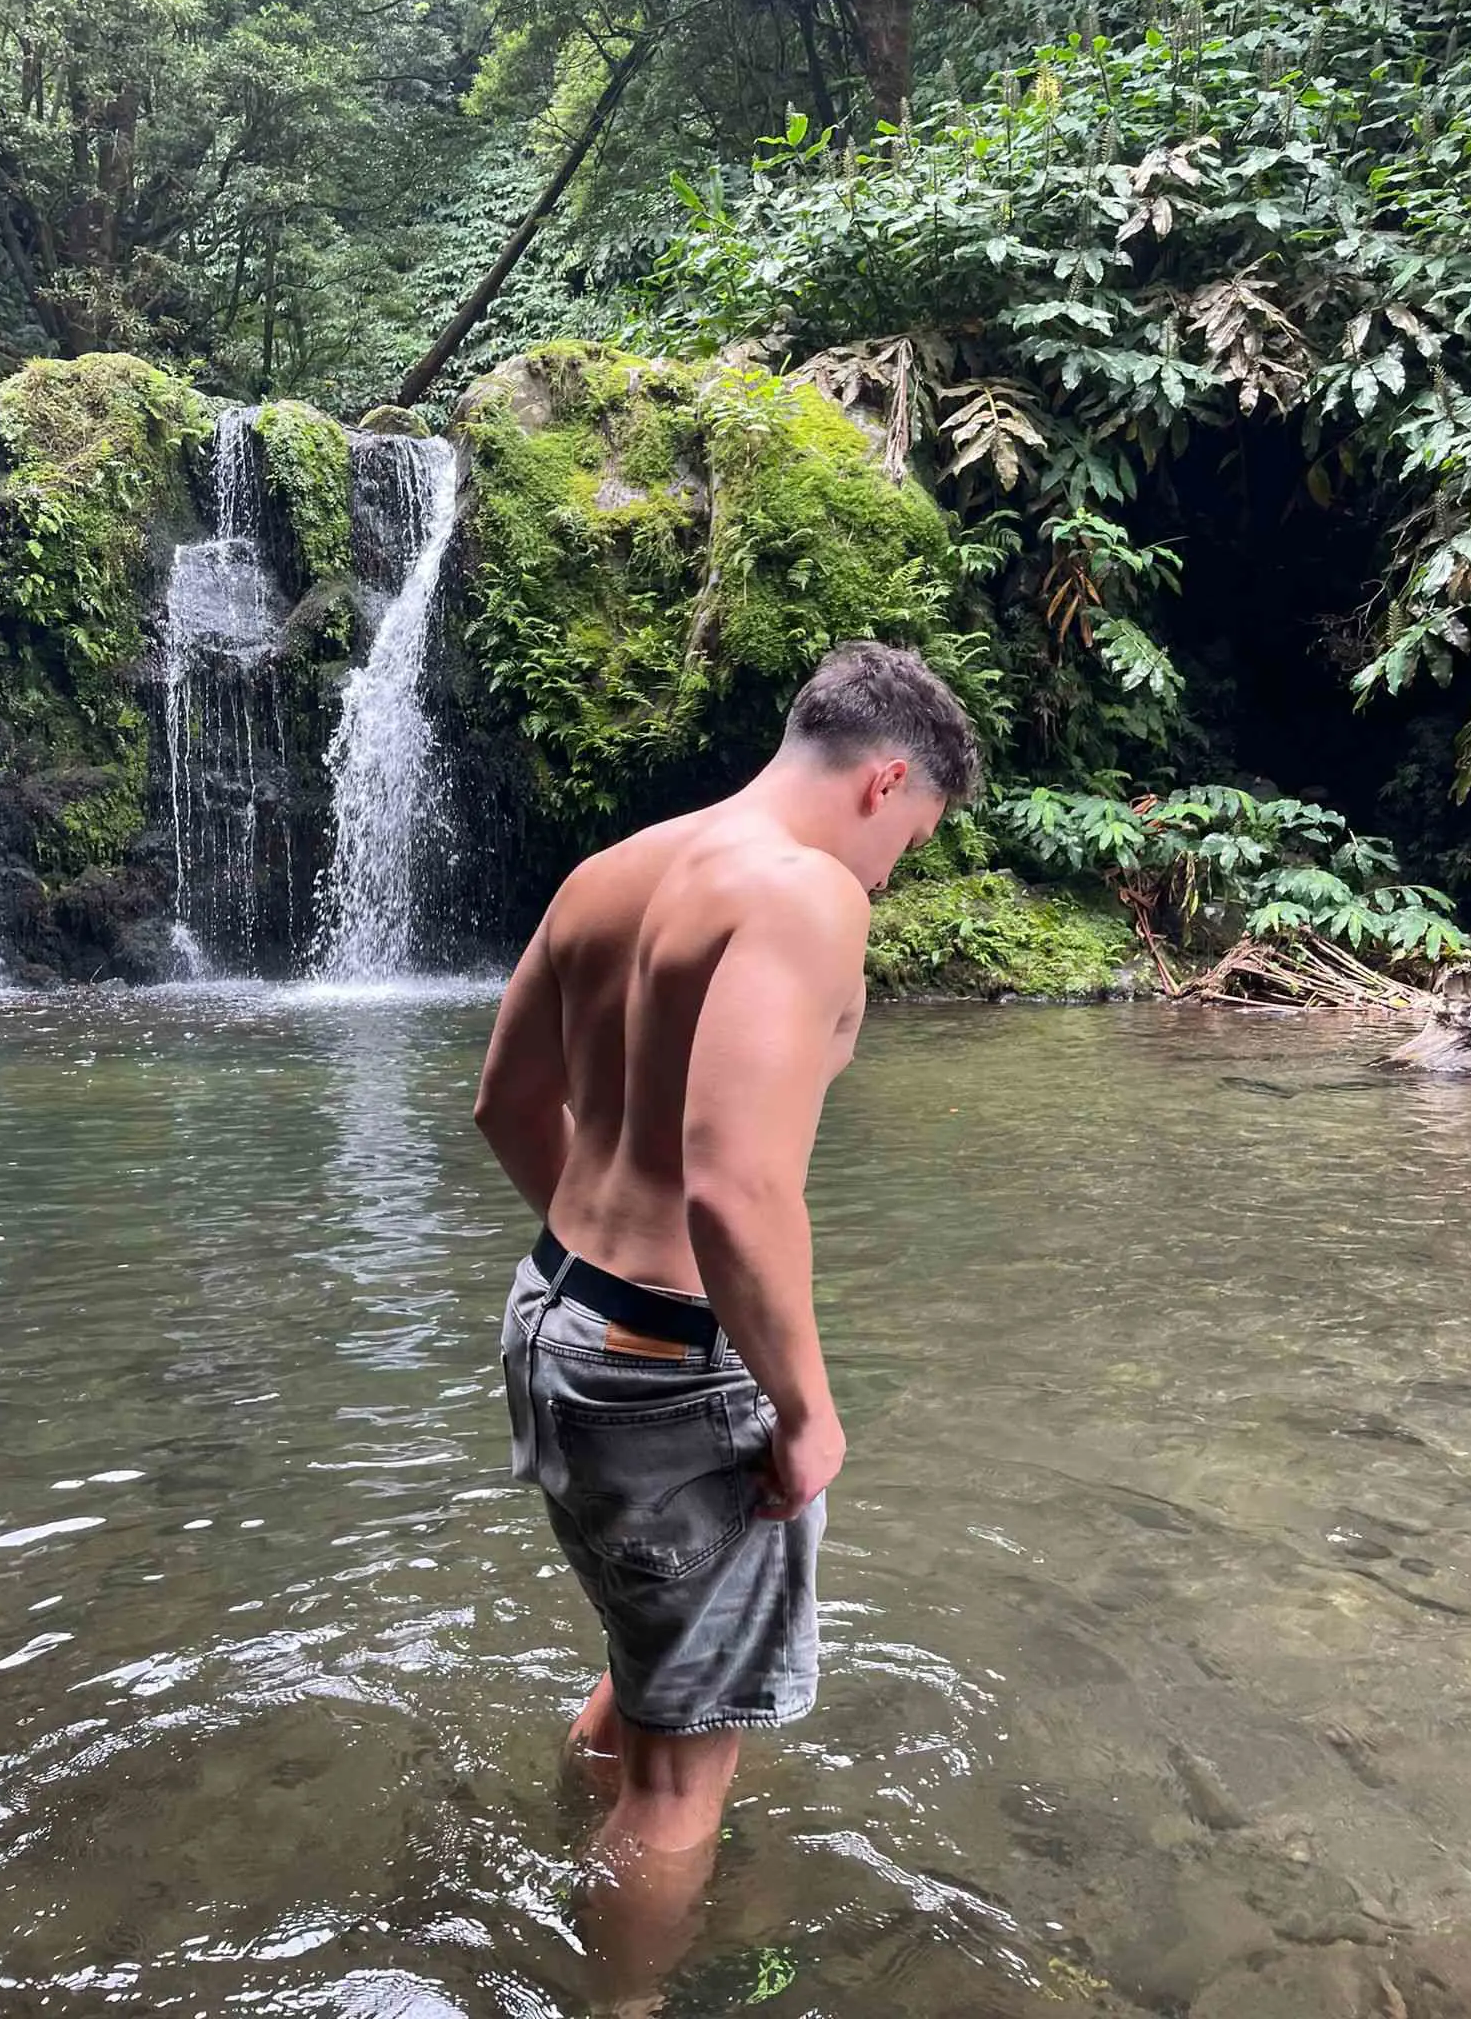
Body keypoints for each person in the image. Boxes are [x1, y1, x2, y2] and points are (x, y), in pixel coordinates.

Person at [474, 639, 980, 2005]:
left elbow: (505, 1105)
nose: (892, 877)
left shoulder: (615, 871)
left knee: (646, 1681)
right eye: (911, 844)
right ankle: (625, 1995)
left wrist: (594, 1293)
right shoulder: (807, 894)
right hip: (669, 1376)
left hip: (554, 1318)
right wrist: (807, 1413)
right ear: (886, 783)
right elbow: (734, 1186)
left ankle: (568, 1864)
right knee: (685, 1784)